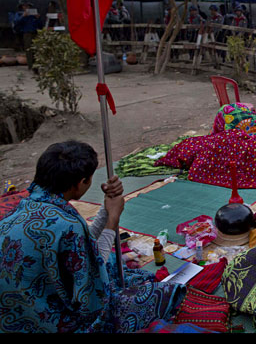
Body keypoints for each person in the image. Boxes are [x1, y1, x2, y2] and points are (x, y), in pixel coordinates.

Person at [0, 141, 186, 332]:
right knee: (158, 293)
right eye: (89, 179)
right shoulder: (66, 224)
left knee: (120, 268)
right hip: (49, 320)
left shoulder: (26, 207)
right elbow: (92, 279)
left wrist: (106, 209)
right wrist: (112, 219)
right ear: (81, 183)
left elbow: (83, 245)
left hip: (13, 314)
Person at [12, 0, 43, 71]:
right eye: (25, 6)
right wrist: (23, 16)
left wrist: (38, 18)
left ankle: (37, 65)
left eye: (28, 6)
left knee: (37, 49)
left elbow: (40, 25)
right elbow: (16, 23)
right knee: (29, 49)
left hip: (35, 32)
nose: (26, 7)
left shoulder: (33, 15)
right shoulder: (19, 14)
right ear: (22, 7)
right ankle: (31, 65)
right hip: (27, 33)